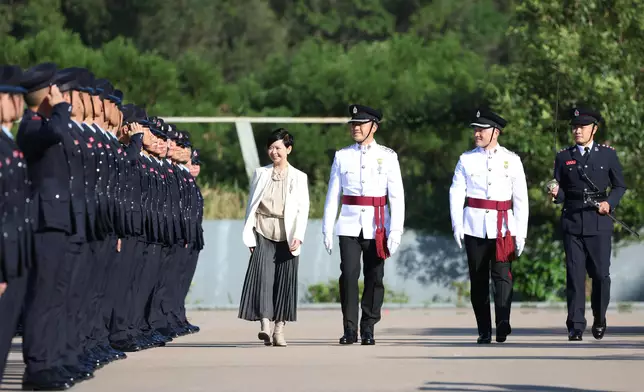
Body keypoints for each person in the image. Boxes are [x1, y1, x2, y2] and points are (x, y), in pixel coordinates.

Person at [322, 104, 405, 346]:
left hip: (377, 224)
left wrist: (396, 230)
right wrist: (327, 228)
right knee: (348, 275)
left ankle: (368, 327)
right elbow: (332, 195)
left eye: (360, 123)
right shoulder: (342, 155)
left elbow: (397, 196)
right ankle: (350, 329)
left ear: (374, 127)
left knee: (374, 276)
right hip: (348, 224)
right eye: (353, 123)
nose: (355, 127)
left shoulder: (388, 156)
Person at [449, 109, 529, 344]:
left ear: (496, 132)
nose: (477, 133)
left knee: (502, 276)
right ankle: (484, 329)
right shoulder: (466, 159)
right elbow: (456, 193)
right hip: (474, 227)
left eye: (481, 129)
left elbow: (521, 198)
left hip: (503, 227)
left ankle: (502, 322)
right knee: (479, 279)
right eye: (475, 129)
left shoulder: (511, 160)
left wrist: (521, 233)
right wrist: (457, 225)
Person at [549, 106, 626, 341]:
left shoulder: (607, 155)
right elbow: (561, 191)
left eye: (581, 127)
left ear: (594, 129)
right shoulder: (564, 156)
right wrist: (554, 191)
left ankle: (600, 318)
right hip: (572, 222)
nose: (576, 130)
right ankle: (576, 325)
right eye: (574, 127)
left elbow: (620, 186)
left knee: (601, 275)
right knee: (574, 276)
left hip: (599, 223)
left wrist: (609, 203)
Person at [239, 128, 310, 347]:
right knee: (263, 279)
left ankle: (279, 329)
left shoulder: (299, 177)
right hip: (262, 230)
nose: (274, 152)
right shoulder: (260, 173)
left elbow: (303, 208)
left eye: (278, 147)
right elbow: (251, 205)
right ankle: (265, 326)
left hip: (287, 234)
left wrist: (298, 235)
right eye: (270, 147)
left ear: (288, 149)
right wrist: (250, 233)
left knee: (284, 282)